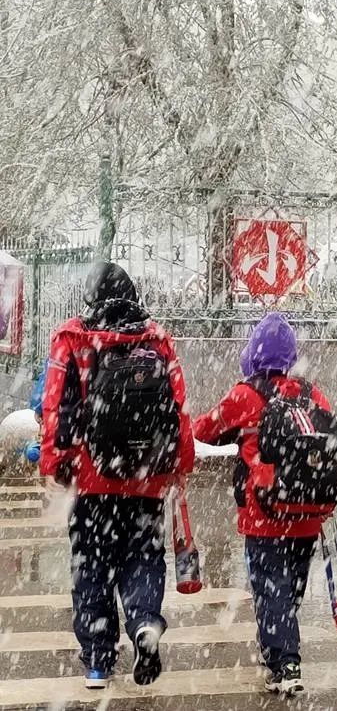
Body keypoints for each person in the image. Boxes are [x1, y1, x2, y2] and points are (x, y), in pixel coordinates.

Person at [40, 261, 195, 689]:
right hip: (147, 478)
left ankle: (97, 660)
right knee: (143, 557)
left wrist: (54, 463)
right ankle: (144, 622)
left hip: (91, 481)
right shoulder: (157, 340)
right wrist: (180, 464)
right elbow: (178, 408)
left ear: (89, 297)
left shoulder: (72, 339)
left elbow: (57, 408)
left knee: (92, 566)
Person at [192, 312, 337, 697]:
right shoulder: (312, 394)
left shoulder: (245, 395)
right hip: (307, 513)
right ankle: (277, 647)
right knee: (289, 587)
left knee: (270, 587)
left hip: (265, 513)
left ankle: (285, 661)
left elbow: (205, 429)